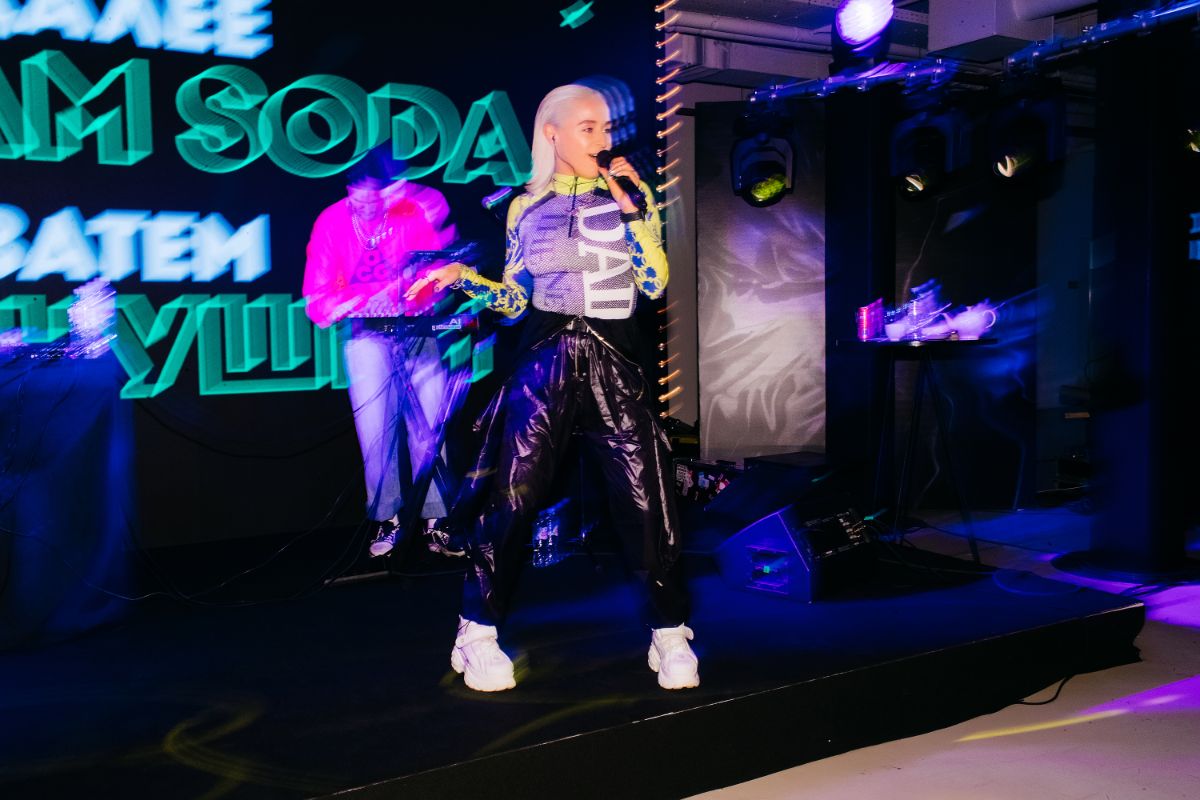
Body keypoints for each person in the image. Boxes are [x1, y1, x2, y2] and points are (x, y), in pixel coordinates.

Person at [412, 84, 699, 692]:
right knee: (512, 498)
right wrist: (462, 277)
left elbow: (654, 283)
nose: (603, 139)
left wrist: (633, 211)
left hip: (615, 361)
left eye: (605, 128)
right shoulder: (525, 205)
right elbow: (516, 301)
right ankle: (476, 630)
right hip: (545, 361)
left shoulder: (630, 195)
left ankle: (669, 630)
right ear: (553, 134)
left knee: (646, 499)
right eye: (588, 128)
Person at [303, 154, 464, 558]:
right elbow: (316, 301)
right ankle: (387, 520)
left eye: (375, 200)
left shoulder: (413, 211)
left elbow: (440, 272)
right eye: (358, 200)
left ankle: (436, 521)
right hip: (365, 337)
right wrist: (363, 299)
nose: (367, 208)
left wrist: (408, 293)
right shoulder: (331, 221)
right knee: (375, 432)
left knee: (430, 429)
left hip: (417, 331)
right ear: (348, 192)